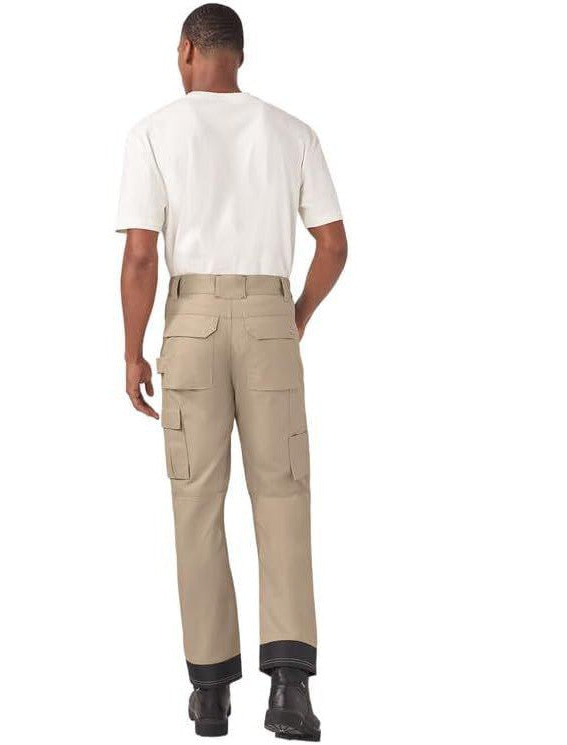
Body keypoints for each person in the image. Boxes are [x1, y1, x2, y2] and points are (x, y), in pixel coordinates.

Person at [117, 4, 347, 739]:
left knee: (196, 500)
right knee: (283, 494)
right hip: (268, 317)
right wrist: (294, 316)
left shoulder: (153, 132)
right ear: (238, 56)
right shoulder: (291, 131)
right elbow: (334, 244)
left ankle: (211, 692)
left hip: (190, 323)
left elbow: (141, 256)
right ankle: (290, 691)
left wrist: (132, 350)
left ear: (187, 49)